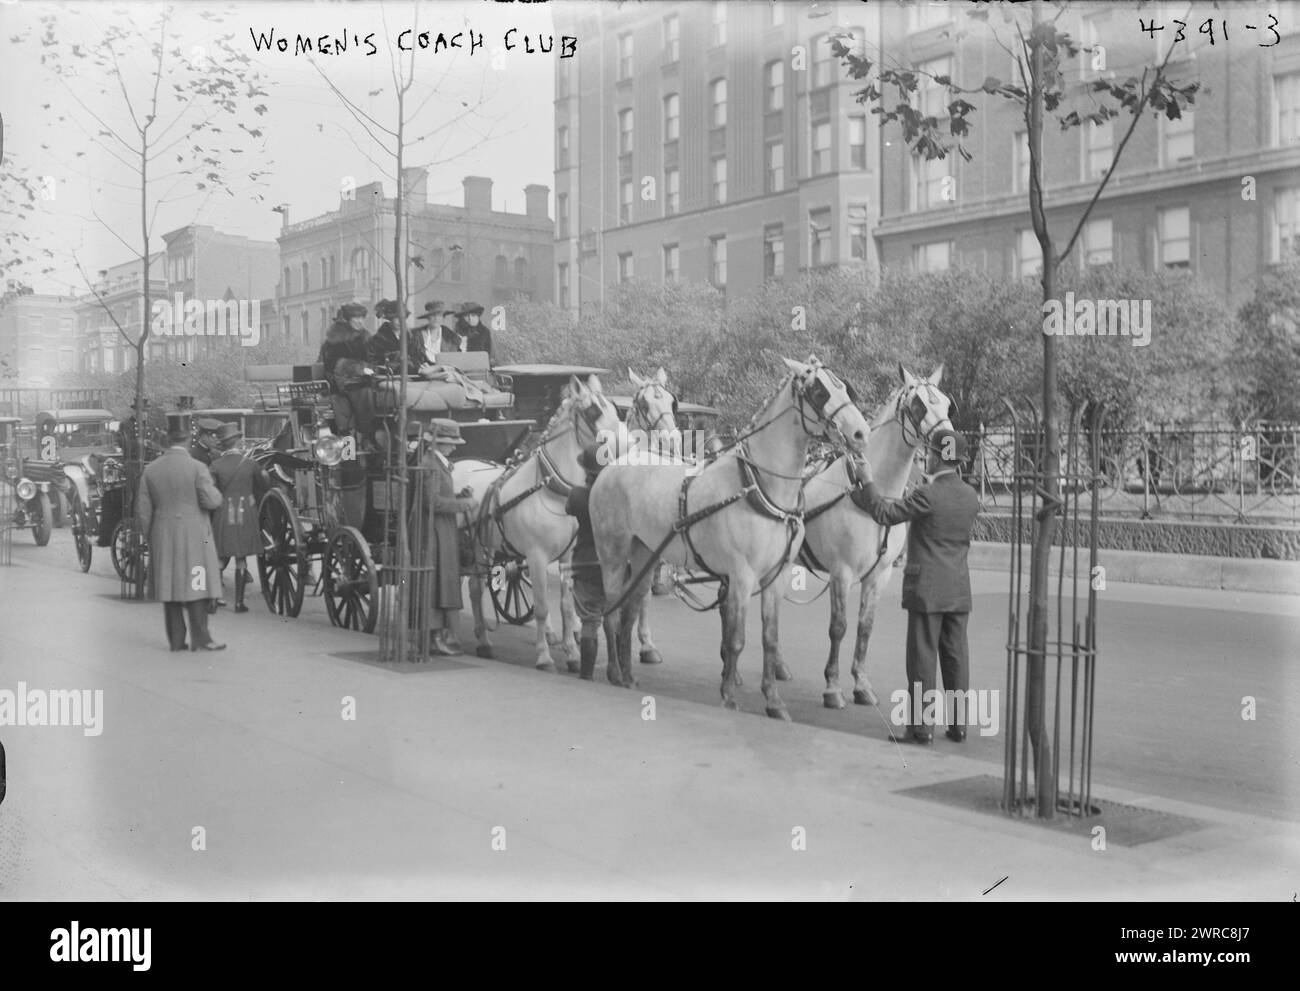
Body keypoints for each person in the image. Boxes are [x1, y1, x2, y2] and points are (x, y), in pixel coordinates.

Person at [851, 428, 980, 744]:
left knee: (923, 660)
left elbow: (884, 513)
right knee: (955, 658)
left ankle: (921, 729)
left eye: (929, 455)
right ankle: (958, 725)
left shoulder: (926, 495)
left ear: (936, 456)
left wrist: (867, 480)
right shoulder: (970, 496)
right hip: (958, 588)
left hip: (926, 589)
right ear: (960, 461)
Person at [136, 426, 226, 652]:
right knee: (197, 583)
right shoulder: (198, 467)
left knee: (169, 586)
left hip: (163, 533)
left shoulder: (151, 470)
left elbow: (143, 511)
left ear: (167, 440)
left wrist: (149, 536)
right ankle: (202, 638)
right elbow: (211, 501)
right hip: (196, 534)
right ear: (187, 440)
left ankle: (176, 641)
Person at [409, 419, 475, 657]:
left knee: (441, 580)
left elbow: (438, 495)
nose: (454, 447)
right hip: (432, 530)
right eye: (449, 442)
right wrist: (463, 504)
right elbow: (432, 502)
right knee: (436, 581)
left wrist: (459, 495)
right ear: (437, 442)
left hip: (440, 528)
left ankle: (437, 635)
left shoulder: (437, 464)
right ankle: (434, 637)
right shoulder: (431, 466)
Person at [209, 422, 271, 614]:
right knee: (241, 558)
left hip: (223, 512)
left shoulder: (215, 465)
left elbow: (210, 490)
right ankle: (238, 603)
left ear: (222, 444)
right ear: (238, 441)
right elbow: (264, 485)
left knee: (220, 558)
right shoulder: (251, 464)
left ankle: (212, 601)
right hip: (245, 512)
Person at [564, 444, 607, 681]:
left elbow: (568, 508)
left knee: (589, 622)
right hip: (615, 565)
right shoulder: (616, 496)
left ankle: (587, 675)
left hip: (586, 562)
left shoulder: (578, 495)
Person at [318, 303, 377, 446]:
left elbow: (374, 359)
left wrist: (369, 370)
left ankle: (370, 446)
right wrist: (358, 369)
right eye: (355, 318)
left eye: (361, 318)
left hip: (363, 380)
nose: (360, 321)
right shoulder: (335, 340)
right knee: (348, 420)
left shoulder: (366, 337)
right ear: (347, 320)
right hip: (340, 382)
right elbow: (332, 365)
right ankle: (349, 457)